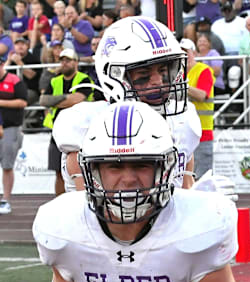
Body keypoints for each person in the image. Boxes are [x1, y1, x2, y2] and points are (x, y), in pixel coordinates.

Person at [32, 100, 250, 282]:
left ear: (164, 169)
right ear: (93, 171)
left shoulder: (193, 230)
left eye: (141, 165)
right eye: (114, 166)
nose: (128, 179)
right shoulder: (66, 231)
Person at [53, 16, 201, 193]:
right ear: (114, 76)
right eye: (144, 75)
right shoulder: (93, 126)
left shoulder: (181, 122)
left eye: (164, 71)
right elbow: (89, 211)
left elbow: (185, 190)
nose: (158, 82)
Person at [39, 48, 93, 196]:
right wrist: (66, 99)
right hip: (58, 131)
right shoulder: (54, 80)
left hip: (80, 131)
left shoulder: (84, 79)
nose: (64, 63)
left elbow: (76, 100)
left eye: (68, 60)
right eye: (62, 60)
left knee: (81, 172)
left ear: (76, 62)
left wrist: (55, 101)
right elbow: (43, 100)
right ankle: (61, 205)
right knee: (59, 172)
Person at [181, 38, 215, 179]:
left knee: (202, 177)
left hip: (202, 131)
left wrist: (181, 85)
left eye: (186, 52)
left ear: (193, 53)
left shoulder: (204, 70)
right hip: (183, 132)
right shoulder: (178, 74)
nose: (183, 56)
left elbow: (202, 95)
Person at [0, 55, 27, 215]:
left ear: (3, 64)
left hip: (11, 128)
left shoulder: (14, 80)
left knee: (7, 165)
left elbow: (23, 102)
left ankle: (6, 200)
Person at [5, 36, 41, 106]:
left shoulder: (33, 58)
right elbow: (2, 74)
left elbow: (31, 75)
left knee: (23, 97)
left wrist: (19, 63)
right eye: (17, 44)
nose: (20, 46)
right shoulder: (11, 60)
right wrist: (8, 61)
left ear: (27, 46)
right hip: (11, 89)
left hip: (30, 89)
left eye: (23, 44)